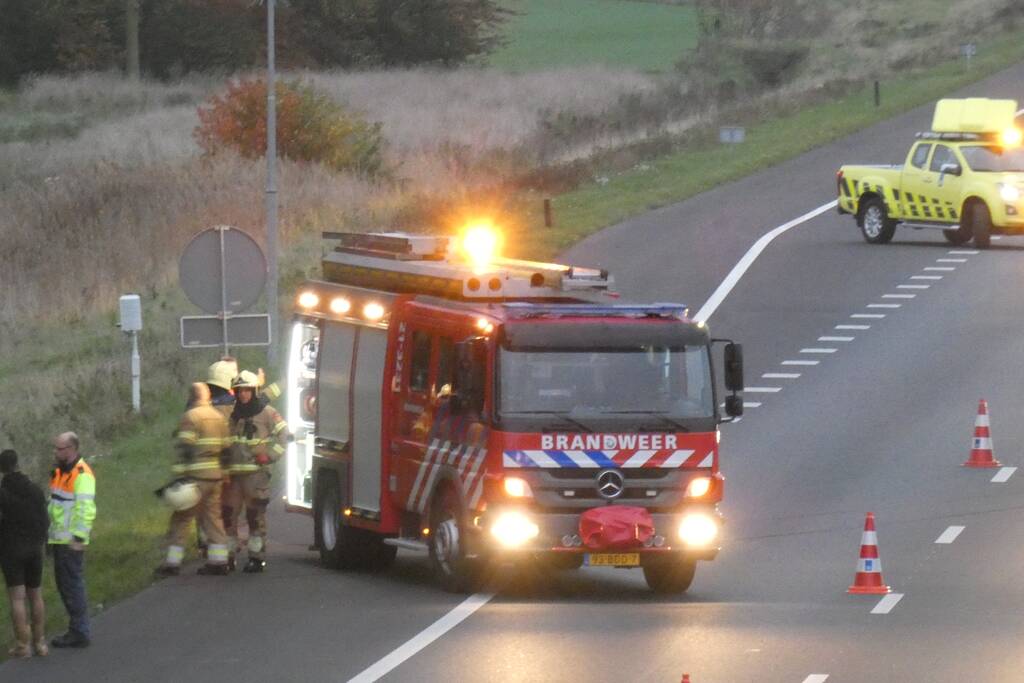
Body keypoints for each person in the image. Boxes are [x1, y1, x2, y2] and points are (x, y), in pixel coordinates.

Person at [156, 383, 232, 577]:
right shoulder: (219, 417)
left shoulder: (190, 417)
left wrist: (179, 478)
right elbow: (227, 449)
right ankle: (219, 561)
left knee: (181, 519)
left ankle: (171, 563)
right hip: (215, 477)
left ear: (191, 397)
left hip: (195, 478)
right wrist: (224, 473)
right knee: (213, 519)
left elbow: (185, 449)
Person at [224, 371, 288, 573]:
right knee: (228, 516)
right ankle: (228, 557)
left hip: (256, 475)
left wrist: (269, 456)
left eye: (247, 390)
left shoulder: (267, 412)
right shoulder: (232, 415)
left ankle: (256, 558)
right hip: (234, 476)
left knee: (254, 517)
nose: (243, 395)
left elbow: (285, 436)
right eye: (240, 390)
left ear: (254, 391)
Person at [48, 432, 96, 649]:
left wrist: (79, 538)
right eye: (56, 448)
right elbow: (55, 506)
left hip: (70, 541)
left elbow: (86, 509)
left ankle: (79, 631)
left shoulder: (82, 474)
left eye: (60, 449)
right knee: (66, 585)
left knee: (72, 585)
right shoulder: (60, 473)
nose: (56, 452)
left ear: (72, 449)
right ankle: (77, 629)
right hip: (59, 539)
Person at [0, 449, 49, 658]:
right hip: (34, 549)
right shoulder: (34, 489)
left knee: (17, 599)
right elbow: (45, 520)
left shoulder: (3, 493)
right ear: (17, 463)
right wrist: (40, 540)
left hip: (11, 550)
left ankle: (23, 644)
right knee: (36, 595)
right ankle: (40, 643)